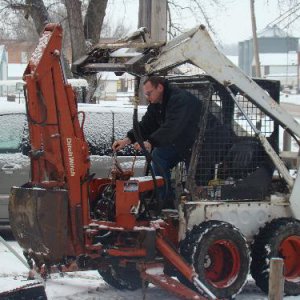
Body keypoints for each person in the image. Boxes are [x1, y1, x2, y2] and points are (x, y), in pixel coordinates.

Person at [112, 76, 201, 208]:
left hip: (200, 143)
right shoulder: (157, 104)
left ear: (160, 87)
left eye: (149, 93)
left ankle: (195, 202)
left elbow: (172, 126)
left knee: (194, 175)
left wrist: (151, 142)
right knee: (158, 155)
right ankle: (164, 201)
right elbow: (146, 124)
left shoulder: (179, 99)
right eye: (146, 94)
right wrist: (128, 139)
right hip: (182, 143)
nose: (148, 97)